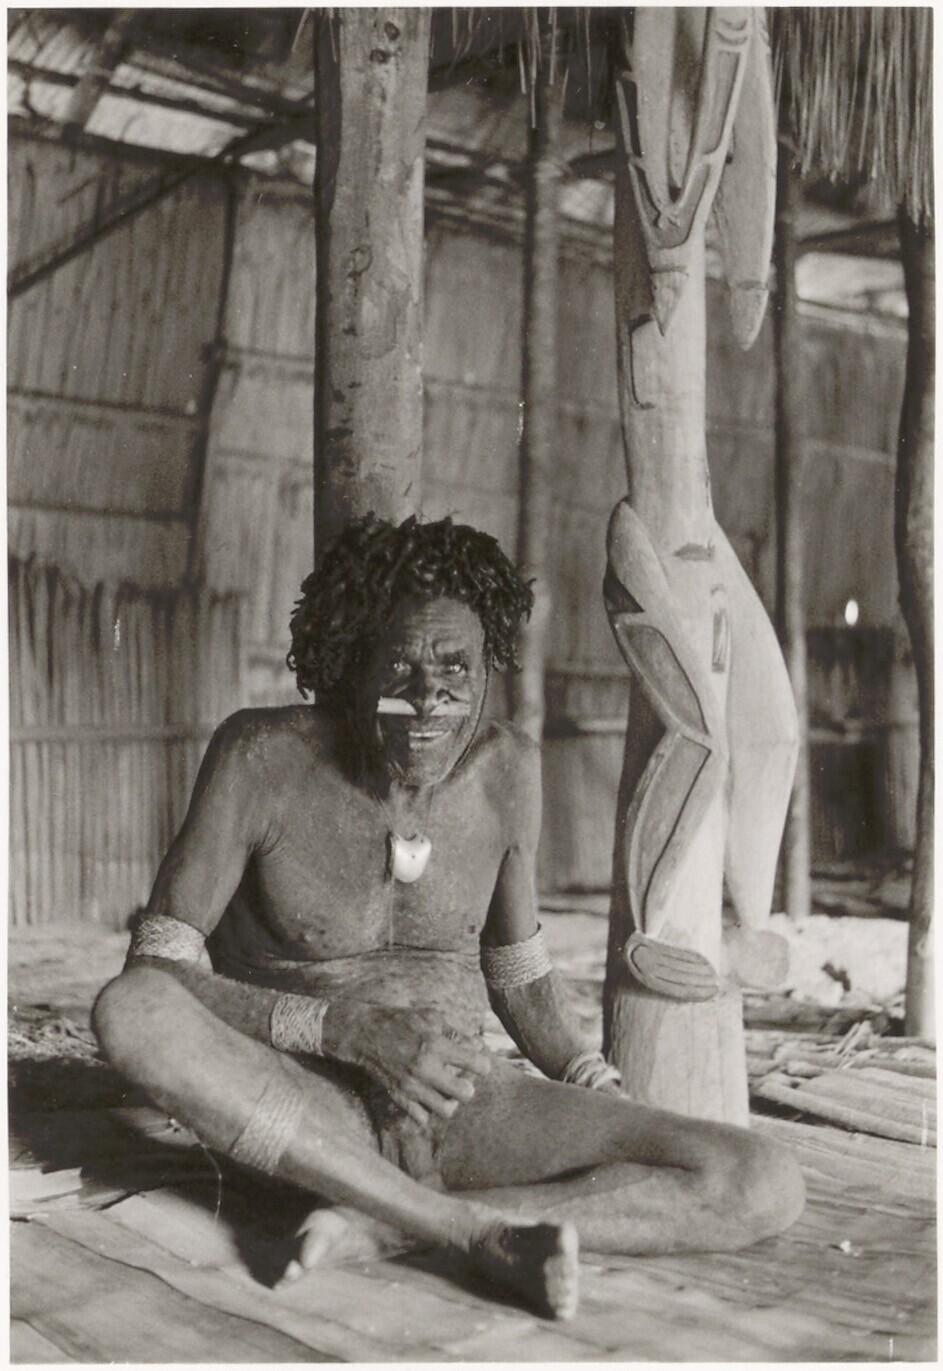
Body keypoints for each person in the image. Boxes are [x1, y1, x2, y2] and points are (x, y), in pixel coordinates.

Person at [94, 514, 804, 1321]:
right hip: (303, 1106)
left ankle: (386, 1224)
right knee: (131, 1008)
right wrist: (345, 1031)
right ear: (354, 664)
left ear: (488, 666)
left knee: (762, 1180)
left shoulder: (509, 769)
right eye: (399, 665)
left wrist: (596, 1083)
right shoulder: (261, 756)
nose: (427, 696)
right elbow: (159, 968)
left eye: (453, 666)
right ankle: (465, 1229)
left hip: (464, 1100)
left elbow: (517, 971)